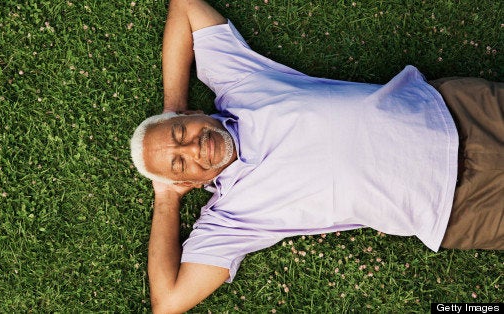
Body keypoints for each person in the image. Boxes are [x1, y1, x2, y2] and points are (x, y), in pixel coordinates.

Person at [130, 0, 503, 312]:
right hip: (464, 208)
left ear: (190, 117)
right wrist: (165, 196)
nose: (193, 147)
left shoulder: (239, 83)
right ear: (187, 182)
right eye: (180, 163)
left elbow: (185, 5)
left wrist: (172, 107)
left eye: (181, 133)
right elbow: (168, 302)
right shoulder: (230, 221)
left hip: (460, 112)